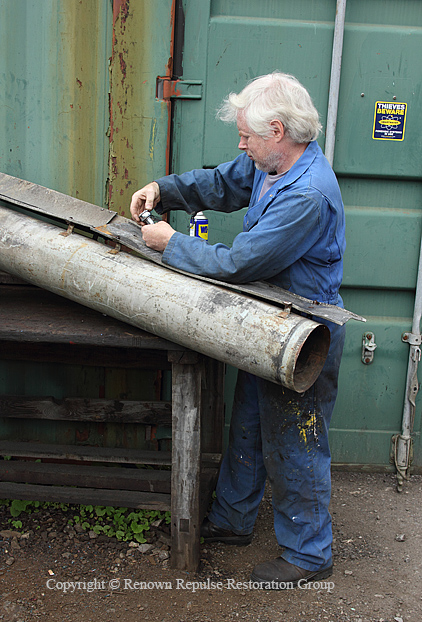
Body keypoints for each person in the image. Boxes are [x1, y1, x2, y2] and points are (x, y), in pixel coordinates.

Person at [130, 72, 346, 588]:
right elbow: (223, 182)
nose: (241, 144)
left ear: (278, 130)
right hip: (265, 323)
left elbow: (238, 263)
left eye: (247, 135)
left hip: (302, 336)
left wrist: (169, 243)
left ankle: (309, 555)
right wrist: (165, 189)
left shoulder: (307, 194)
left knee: (295, 440)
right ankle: (231, 521)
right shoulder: (272, 164)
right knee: (248, 423)